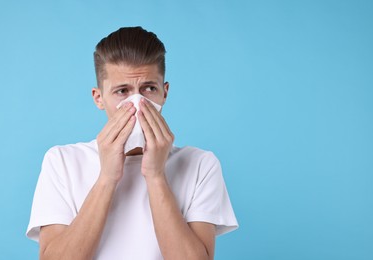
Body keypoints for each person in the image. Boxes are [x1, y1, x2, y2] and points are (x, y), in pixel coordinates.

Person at [27, 26, 238, 260]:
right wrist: (107, 177)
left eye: (149, 88)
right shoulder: (62, 162)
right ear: (99, 98)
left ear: (164, 93)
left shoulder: (200, 165)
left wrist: (156, 175)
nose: (137, 103)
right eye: (122, 91)